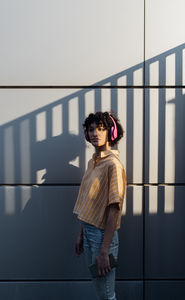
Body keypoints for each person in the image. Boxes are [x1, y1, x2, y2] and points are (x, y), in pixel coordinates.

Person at [73, 111, 126, 300]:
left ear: (111, 133)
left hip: (102, 236)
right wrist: (81, 233)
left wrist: (104, 251)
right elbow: (89, 201)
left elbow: (114, 209)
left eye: (101, 129)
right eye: (91, 129)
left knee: (106, 294)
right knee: (99, 289)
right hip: (89, 233)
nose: (95, 133)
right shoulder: (92, 162)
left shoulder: (113, 165)